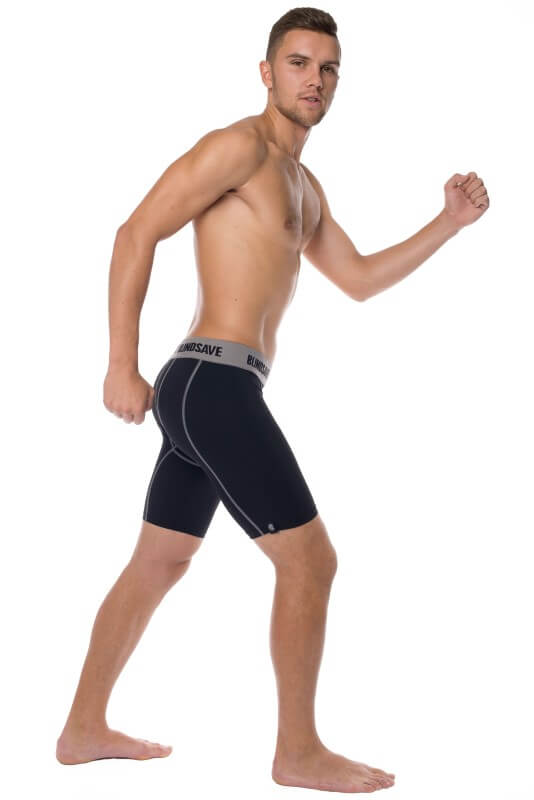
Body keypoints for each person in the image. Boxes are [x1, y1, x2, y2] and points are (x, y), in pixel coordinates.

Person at [56, 7, 489, 792]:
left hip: (217, 388)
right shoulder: (238, 149)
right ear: (266, 72)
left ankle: (83, 727)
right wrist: (120, 362)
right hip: (211, 384)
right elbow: (135, 231)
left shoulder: (304, 186)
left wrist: (449, 223)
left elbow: (358, 279)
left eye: (327, 68)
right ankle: (298, 752)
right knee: (310, 562)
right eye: (298, 63)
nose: (314, 79)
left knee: (160, 560)